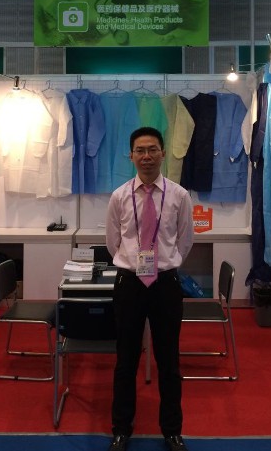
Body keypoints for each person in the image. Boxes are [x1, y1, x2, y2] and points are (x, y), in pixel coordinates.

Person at [106, 127, 194, 451]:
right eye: (140, 150)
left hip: (165, 284)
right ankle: (121, 429)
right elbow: (113, 242)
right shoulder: (119, 196)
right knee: (125, 361)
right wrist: (133, 262)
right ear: (131, 155)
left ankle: (172, 431)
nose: (146, 156)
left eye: (152, 149)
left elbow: (185, 240)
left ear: (162, 153)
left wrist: (166, 262)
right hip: (129, 284)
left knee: (169, 361)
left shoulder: (179, 196)